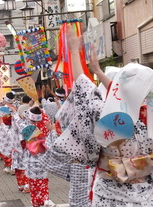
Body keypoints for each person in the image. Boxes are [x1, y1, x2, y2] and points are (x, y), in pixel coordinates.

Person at [51, 24, 153, 206]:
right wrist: (98, 72)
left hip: (108, 192)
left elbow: (83, 84)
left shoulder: (103, 113)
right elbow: (125, 93)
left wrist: (75, 53)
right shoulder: (149, 116)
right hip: (144, 195)